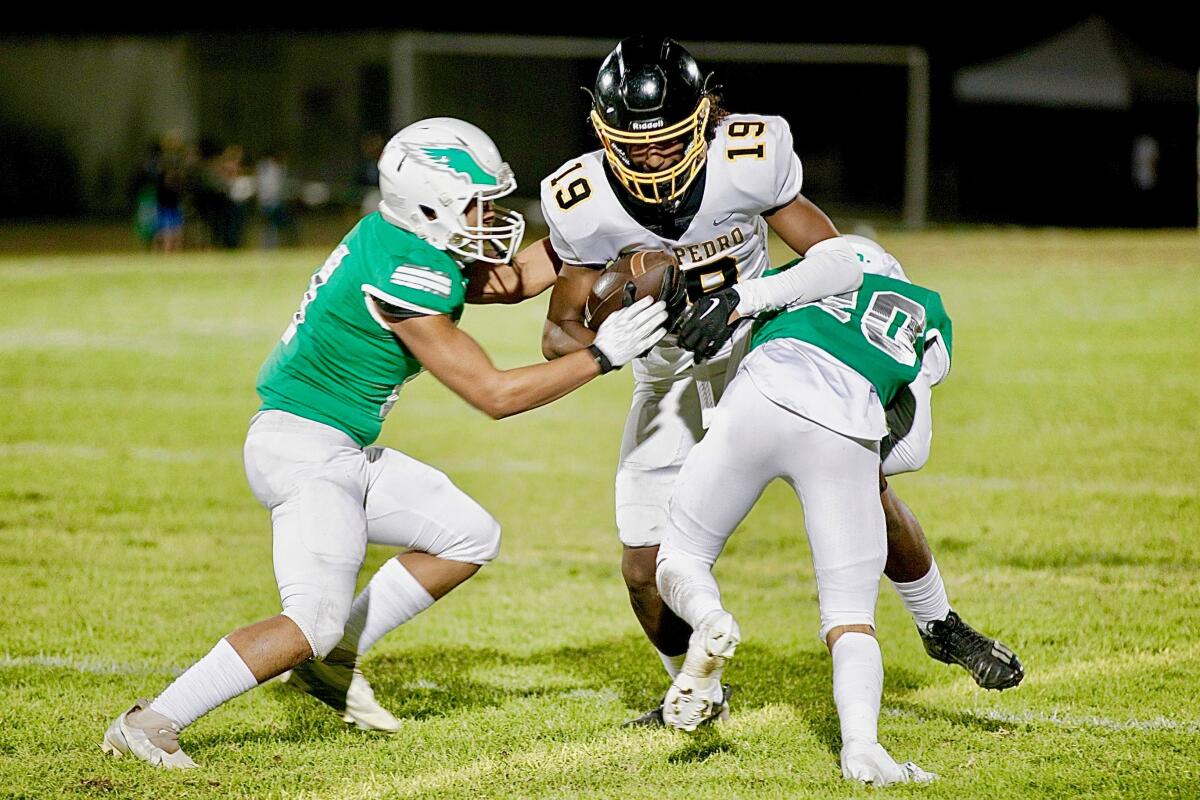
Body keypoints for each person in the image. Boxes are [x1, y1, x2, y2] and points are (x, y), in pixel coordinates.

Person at [101, 118, 669, 769]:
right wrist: (603, 355)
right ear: (428, 206)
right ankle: (153, 722)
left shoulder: (403, 239)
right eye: (475, 204)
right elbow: (494, 394)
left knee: (468, 535)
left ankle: (334, 660)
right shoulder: (405, 268)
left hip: (332, 446)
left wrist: (597, 231)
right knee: (307, 622)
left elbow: (509, 278)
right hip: (305, 452)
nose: (490, 216)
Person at [537, 36, 1022, 724]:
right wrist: (611, 337)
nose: (650, 160)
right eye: (633, 146)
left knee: (863, 491)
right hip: (669, 377)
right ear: (602, 133)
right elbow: (558, 333)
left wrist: (741, 301)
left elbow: (835, 259)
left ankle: (940, 623)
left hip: (762, 348)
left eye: (667, 142)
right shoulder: (580, 200)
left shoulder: (747, 159)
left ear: (703, 119)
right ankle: (694, 689)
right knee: (644, 568)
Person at [656, 246, 950, 785]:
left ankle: (711, 621)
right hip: (849, 425)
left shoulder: (800, 278)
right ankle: (862, 750)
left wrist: (737, 302)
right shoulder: (924, 310)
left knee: (681, 557)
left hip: (763, 394)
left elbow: (831, 269)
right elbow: (914, 451)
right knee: (849, 616)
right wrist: (860, 460)